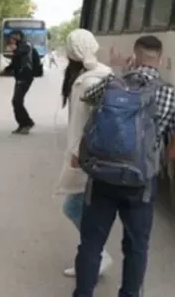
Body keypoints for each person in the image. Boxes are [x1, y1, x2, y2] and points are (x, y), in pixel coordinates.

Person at [72, 35, 175, 297]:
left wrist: (120, 73)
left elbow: (87, 99)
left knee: (91, 243)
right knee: (136, 247)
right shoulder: (169, 92)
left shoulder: (112, 83)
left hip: (102, 176)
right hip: (141, 181)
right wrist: (159, 161)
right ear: (159, 60)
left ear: (134, 57)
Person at [54, 29, 113, 279]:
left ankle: (97, 256)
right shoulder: (105, 73)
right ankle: (91, 257)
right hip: (102, 154)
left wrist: (77, 152)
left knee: (74, 207)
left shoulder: (86, 81)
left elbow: (82, 121)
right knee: (87, 207)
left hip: (87, 156)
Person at [8, 30, 37, 134]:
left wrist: (15, 49)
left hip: (25, 77)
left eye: (12, 38)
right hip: (20, 77)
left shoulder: (25, 46)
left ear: (18, 37)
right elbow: (15, 63)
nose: (11, 41)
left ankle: (28, 122)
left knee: (17, 101)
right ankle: (22, 124)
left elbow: (21, 53)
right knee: (16, 101)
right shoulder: (19, 47)